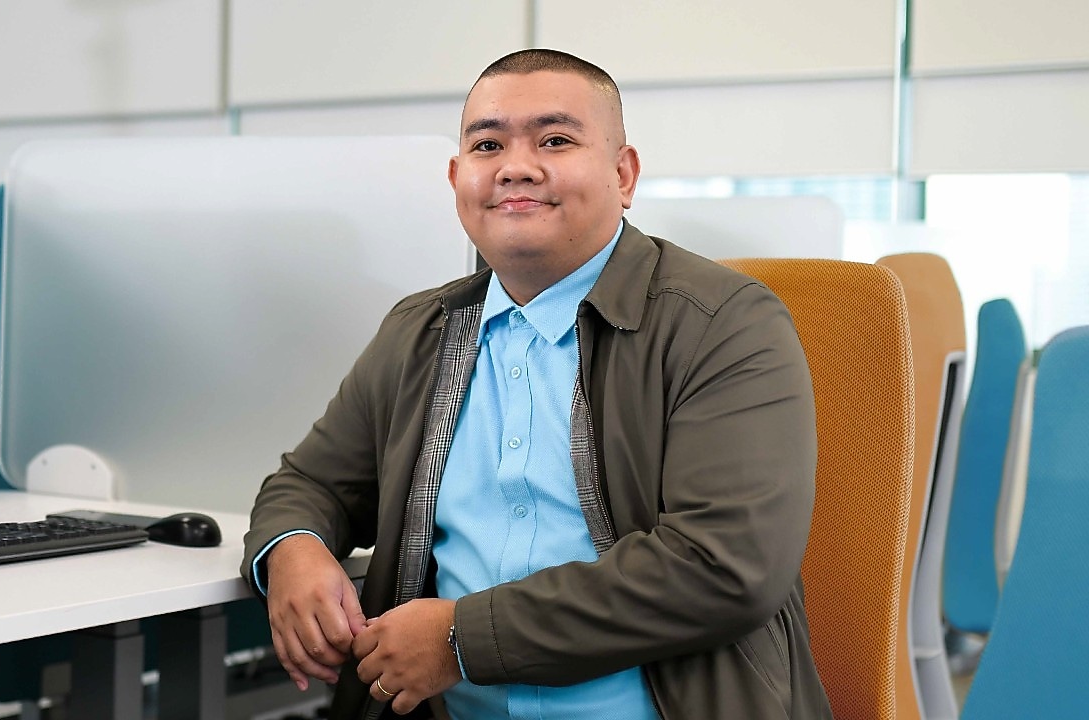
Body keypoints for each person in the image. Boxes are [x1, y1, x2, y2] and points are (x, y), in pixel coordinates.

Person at [241, 49, 832, 720]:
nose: (515, 165)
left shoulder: (724, 322)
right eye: (488, 144)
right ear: (458, 176)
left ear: (623, 173)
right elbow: (310, 484)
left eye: (555, 139)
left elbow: (724, 568)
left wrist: (462, 641)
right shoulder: (420, 332)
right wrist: (291, 549)